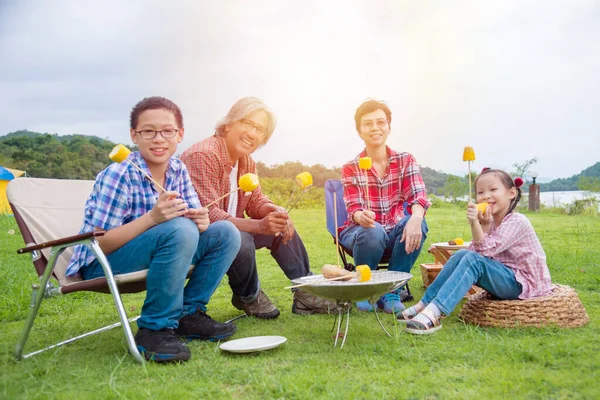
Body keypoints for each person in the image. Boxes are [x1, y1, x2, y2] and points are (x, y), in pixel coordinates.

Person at [66, 96, 241, 362]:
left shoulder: (178, 169)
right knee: (179, 229)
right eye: (148, 131)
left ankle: (188, 314)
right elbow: (99, 243)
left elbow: (193, 223)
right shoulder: (119, 174)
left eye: (167, 131)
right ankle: (154, 329)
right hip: (103, 262)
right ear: (134, 135)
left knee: (225, 233)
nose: (158, 139)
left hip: (160, 252)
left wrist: (202, 221)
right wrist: (152, 219)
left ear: (179, 134)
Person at [181, 96, 337, 318]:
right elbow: (211, 214)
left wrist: (275, 212)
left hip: (229, 232)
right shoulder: (204, 155)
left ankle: (306, 291)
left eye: (260, 130)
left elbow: (255, 201)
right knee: (240, 237)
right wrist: (258, 225)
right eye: (247, 123)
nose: (252, 134)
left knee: (281, 224)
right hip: (203, 240)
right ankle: (248, 296)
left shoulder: (246, 161)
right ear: (228, 123)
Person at [401, 168, 552, 334]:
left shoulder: (517, 221)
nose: (486, 196)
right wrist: (484, 225)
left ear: (511, 193)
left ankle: (435, 312)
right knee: (461, 254)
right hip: (507, 276)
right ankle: (425, 303)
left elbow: (483, 253)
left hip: (523, 284)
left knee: (472, 259)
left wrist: (475, 224)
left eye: (493, 190)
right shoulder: (493, 221)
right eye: (481, 192)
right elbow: (476, 251)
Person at [340, 99, 430, 315]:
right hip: (363, 233)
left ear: (389, 127)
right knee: (373, 230)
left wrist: (416, 218)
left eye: (380, 122)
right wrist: (361, 214)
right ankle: (365, 288)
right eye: (367, 123)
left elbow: (418, 195)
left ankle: (392, 290)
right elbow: (353, 206)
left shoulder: (405, 160)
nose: (375, 128)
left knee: (418, 222)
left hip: (395, 233)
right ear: (359, 131)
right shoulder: (350, 167)